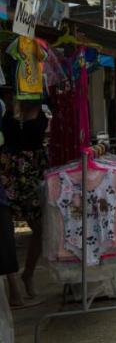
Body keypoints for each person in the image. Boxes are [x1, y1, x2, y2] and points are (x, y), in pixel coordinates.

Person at [0, 96, 48, 302]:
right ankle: (13, 285)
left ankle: (27, 274)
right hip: (7, 170)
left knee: (39, 227)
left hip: (31, 173)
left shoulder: (42, 105)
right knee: (4, 228)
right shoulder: (5, 107)